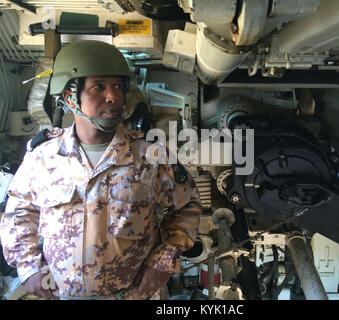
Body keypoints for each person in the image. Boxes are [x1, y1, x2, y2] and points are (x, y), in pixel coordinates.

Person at [0, 40, 202, 300]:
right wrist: (28, 268)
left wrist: (162, 262)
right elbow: (18, 211)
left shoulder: (151, 156)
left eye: (118, 86)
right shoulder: (43, 158)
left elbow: (188, 207)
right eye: (98, 87)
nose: (113, 97)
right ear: (69, 96)